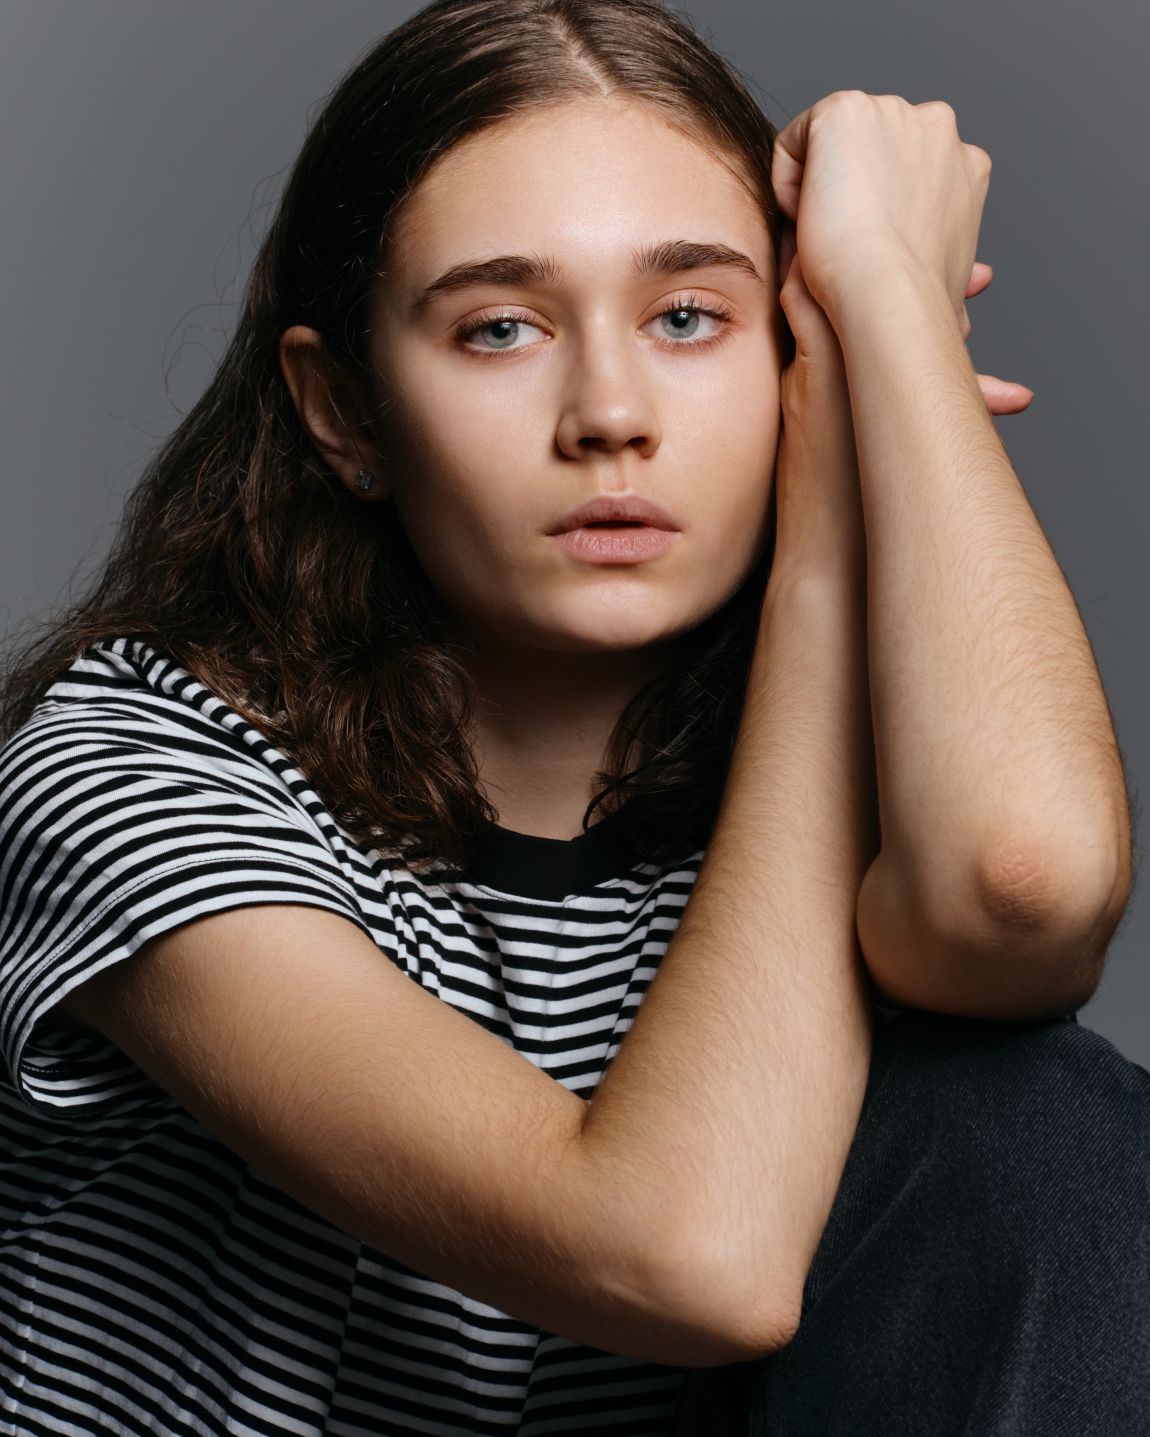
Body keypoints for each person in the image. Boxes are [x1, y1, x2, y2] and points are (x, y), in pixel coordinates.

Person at [0, 1, 1144, 1433]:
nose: (610, 412)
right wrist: (827, 547)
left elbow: (1020, 892)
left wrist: (891, 314)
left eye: (688, 318)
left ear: (790, 359)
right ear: (343, 410)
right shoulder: (124, 767)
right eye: (498, 328)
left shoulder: (847, 773)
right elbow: (685, 1260)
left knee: (1040, 1124)